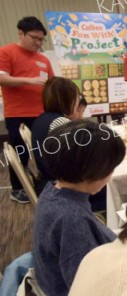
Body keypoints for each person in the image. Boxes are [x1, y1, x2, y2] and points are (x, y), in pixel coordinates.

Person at [32, 120, 126, 296]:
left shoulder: (53, 190)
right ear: (94, 171)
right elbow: (88, 293)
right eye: (111, 168)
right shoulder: (72, 219)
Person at [0, 16, 54, 204]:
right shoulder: (6, 52)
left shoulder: (43, 59)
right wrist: (29, 80)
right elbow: (2, 78)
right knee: (20, 152)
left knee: (45, 151)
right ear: (21, 33)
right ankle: (17, 188)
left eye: (41, 40)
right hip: (18, 113)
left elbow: (51, 83)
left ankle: (46, 183)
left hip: (41, 113)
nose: (39, 43)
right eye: (35, 38)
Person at [31, 77, 82, 192]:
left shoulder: (41, 119)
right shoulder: (60, 122)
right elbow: (73, 160)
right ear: (68, 99)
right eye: (76, 97)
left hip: (47, 180)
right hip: (62, 187)